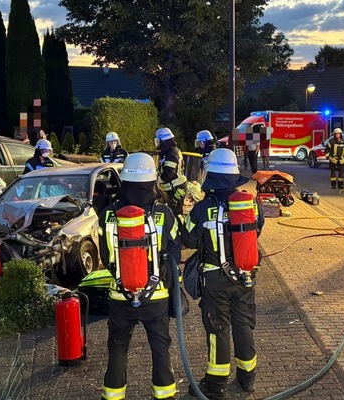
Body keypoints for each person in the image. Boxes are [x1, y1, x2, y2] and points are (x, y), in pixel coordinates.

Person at [181, 148, 264, 400]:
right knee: (243, 323)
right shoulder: (250, 203)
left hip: (215, 279)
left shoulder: (202, 208)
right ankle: (247, 377)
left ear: (212, 176)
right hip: (245, 275)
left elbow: (188, 239)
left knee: (218, 328)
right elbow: (258, 229)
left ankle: (216, 384)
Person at [98, 152, 181, 400]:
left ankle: (113, 395)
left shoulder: (108, 214)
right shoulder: (164, 213)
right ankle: (164, 395)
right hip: (156, 297)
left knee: (117, 348)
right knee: (160, 348)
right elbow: (174, 251)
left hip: (119, 296)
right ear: (153, 181)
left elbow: (105, 255)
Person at [155, 127, 188, 218]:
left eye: (159, 142)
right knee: (171, 213)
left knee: (176, 214)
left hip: (176, 189)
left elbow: (168, 173)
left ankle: (180, 227)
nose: (158, 144)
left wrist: (157, 179)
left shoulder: (171, 154)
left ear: (164, 141)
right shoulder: (170, 152)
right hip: (173, 188)